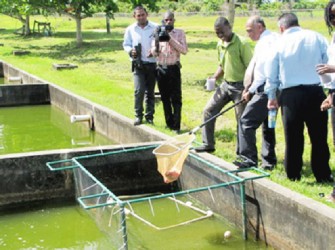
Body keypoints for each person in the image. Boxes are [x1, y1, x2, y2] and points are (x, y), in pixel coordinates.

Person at [265, 13, 333, 183]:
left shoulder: (278, 43)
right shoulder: (317, 37)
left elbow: (271, 73)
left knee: (293, 137)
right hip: (315, 92)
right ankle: (323, 174)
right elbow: (328, 62)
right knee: (319, 137)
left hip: (291, 95)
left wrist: (272, 96)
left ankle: (293, 174)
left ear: (281, 28)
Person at [195, 17, 253, 153]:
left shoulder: (242, 44)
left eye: (222, 32)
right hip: (226, 85)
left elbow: (251, 68)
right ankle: (208, 144)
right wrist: (214, 77)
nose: (220, 36)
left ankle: (243, 153)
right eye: (217, 33)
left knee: (241, 120)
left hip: (241, 87)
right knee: (208, 111)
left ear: (230, 27)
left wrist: (248, 89)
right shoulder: (219, 44)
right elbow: (222, 64)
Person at [233, 16, 278, 169]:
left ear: (260, 27)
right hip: (277, 89)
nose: (248, 34)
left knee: (246, 122)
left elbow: (262, 72)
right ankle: (269, 161)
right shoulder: (275, 38)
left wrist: (250, 91)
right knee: (268, 125)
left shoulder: (264, 43)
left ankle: (248, 159)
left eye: (250, 30)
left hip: (265, 89)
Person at [150, 11, 188, 134]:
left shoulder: (179, 33)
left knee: (176, 98)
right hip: (161, 68)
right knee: (165, 98)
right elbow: (154, 53)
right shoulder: (158, 32)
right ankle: (169, 123)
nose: (168, 22)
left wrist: (169, 38)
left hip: (174, 68)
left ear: (173, 20)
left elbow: (184, 50)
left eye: (170, 20)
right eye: (166, 20)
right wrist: (157, 40)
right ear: (163, 20)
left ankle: (176, 126)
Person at [123, 5, 157, 126]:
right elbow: (126, 44)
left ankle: (149, 116)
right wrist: (130, 51)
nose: (141, 17)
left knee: (150, 92)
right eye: (138, 15)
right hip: (138, 64)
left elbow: (160, 43)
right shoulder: (130, 29)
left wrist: (154, 50)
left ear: (146, 14)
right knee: (139, 91)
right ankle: (138, 115)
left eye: (143, 14)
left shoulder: (155, 27)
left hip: (152, 63)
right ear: (134, 16)